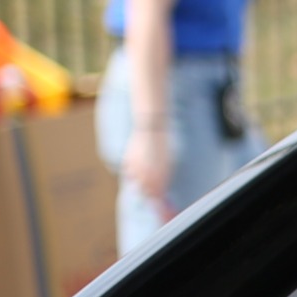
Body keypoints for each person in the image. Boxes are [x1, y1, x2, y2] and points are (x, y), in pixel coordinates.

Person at [96, 0, 266, 255]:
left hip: (207, 83)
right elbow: (147, 9)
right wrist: (151, 129)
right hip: (171, 89)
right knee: (168, 256)